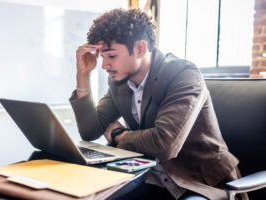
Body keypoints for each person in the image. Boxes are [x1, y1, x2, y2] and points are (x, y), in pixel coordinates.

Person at [69, 8, 246, 200]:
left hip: (200, 182)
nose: (104, 65)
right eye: (102, 57)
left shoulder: (183, 74)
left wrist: (119, 135)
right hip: (151, 177)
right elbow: (90, 131)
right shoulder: (119, 82)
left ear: (140, 49)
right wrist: (83, 76)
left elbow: (164, 144)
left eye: (111, 56)